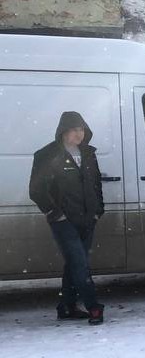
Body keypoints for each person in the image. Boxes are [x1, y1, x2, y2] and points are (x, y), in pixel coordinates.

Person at [29, 111, 106, 325]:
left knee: (74, 263)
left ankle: (67, 307)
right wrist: (56, 214)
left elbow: (96, 183)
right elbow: (36, 190)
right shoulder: (46, 155)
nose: (79, 134)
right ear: (63, 132)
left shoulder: (89, 153)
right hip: (64, 221)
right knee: (80, 265)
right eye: (74, 129)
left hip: (88, 218)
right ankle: (94, 307)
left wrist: (98, 210)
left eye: (81, 129)